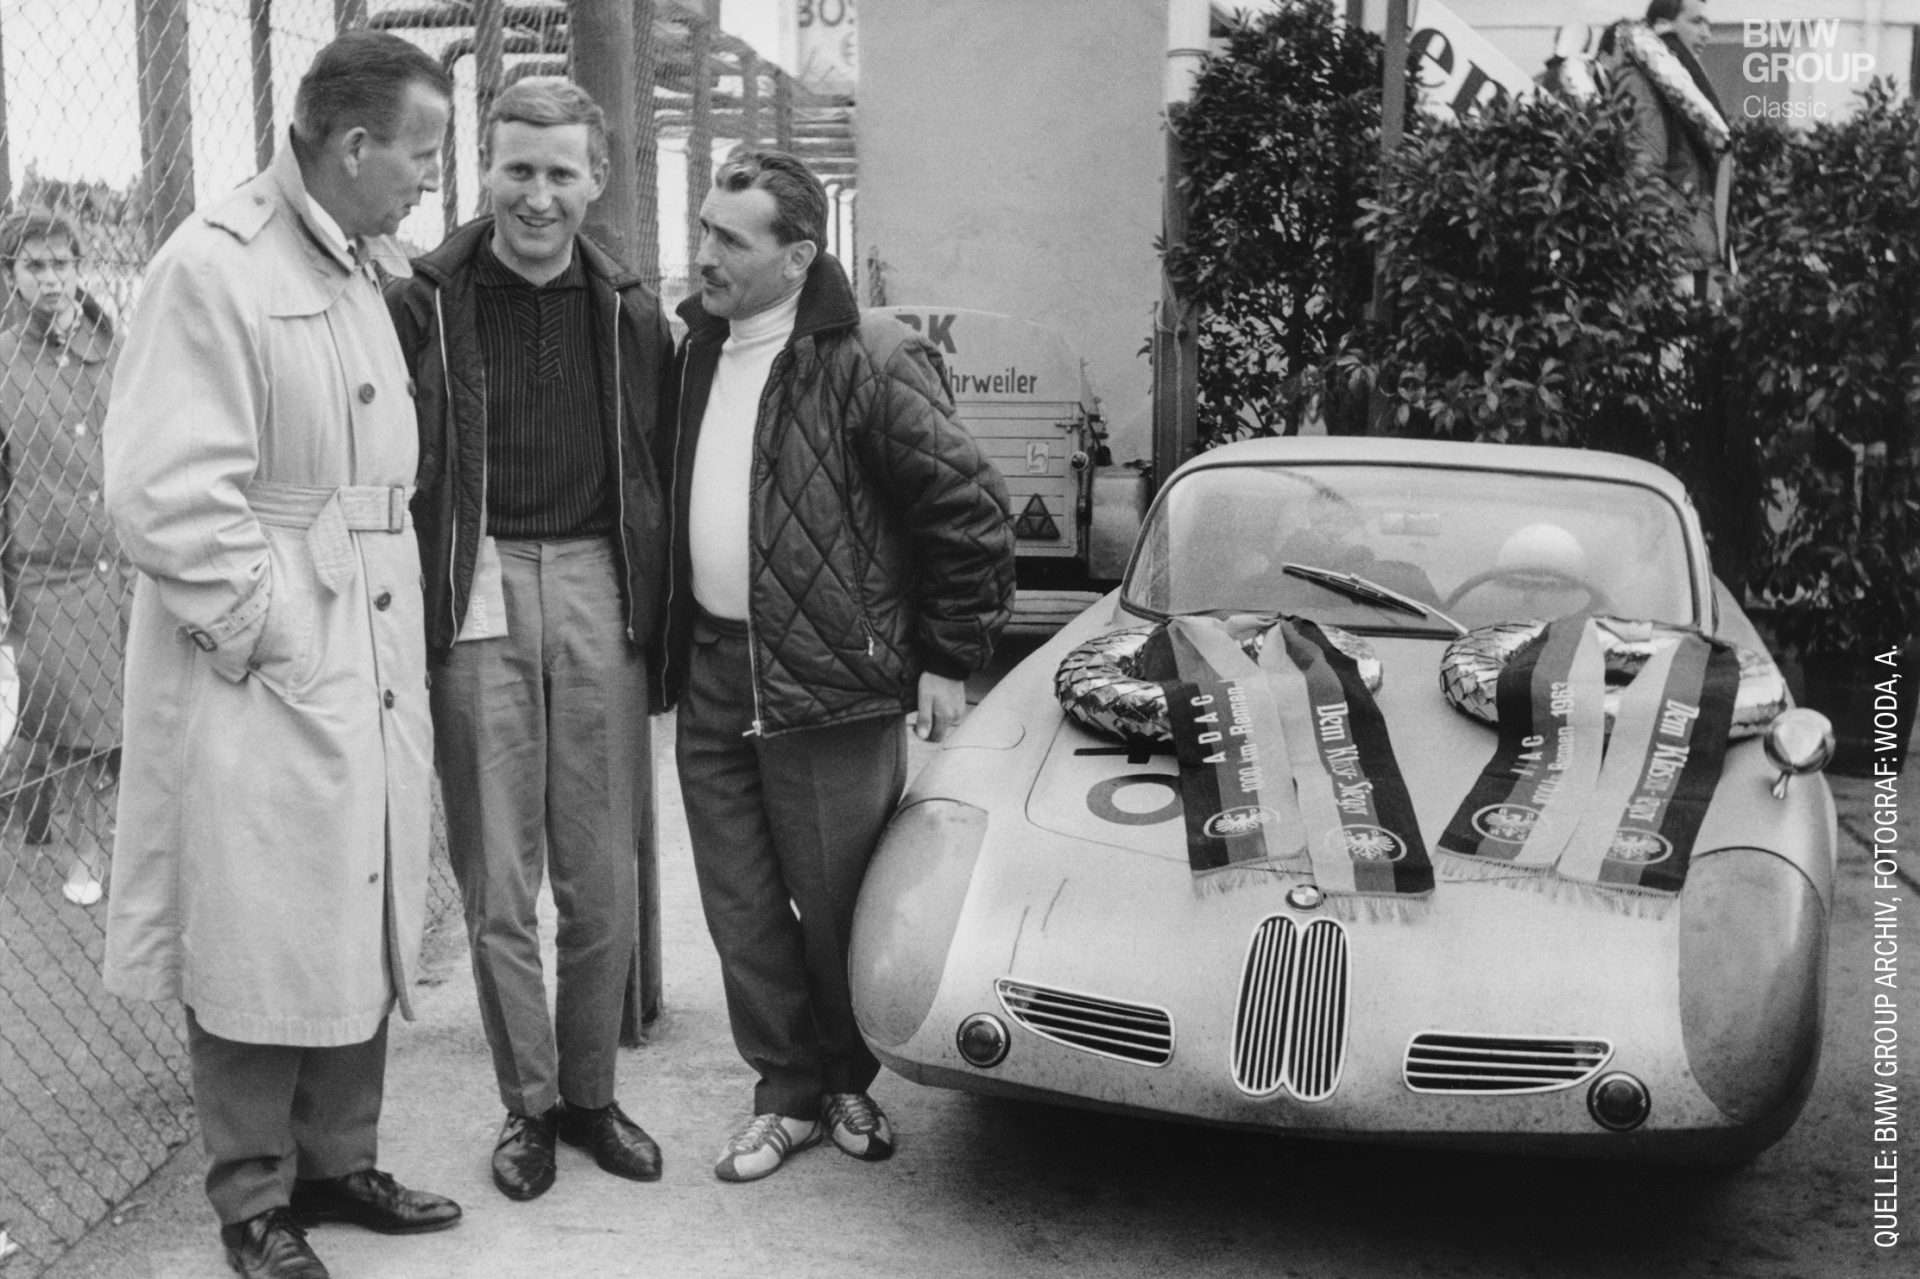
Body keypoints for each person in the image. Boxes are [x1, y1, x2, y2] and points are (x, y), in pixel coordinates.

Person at [101, 32, 460, 1279]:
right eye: (420, 151)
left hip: (364, 619)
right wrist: (269, 626)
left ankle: (336, 1158)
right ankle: (255, 1200)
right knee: (257, 923)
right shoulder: (213, 266)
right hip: (276, 638)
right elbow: (164, 495)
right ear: (354, 146)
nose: (430, 177)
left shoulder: (366, 264)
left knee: (355, 894)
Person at [667, 146, 1015, 1183]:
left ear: (798, 255)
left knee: (838, 901)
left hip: (830, 679)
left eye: (731, 239)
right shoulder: (692, 353)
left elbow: (970, 509)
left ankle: (848, 1081)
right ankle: (785, 1094)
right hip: (716, 671)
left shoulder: (868, 354)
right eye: (702, 230)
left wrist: (948, 657)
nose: (704, 254)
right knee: (738, 906)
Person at [385, 76, 670, 1203]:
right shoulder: (424, 299)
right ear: (483, 170)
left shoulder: (632, 311)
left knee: (601, 874)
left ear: (596, 181)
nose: (537, 196)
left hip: (597, 576)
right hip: (480, 576)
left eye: (561, 172)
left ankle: (593, 1093)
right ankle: (530, 1106)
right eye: (517, 169)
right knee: (499, 878)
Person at [0, 210, 127, 906]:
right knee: (76, 723)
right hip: (48, 571)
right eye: (33, 267)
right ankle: (79, 847)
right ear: (12, 277)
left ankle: (64, 822)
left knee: (124, 720)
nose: (51, 279)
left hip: (125, 559)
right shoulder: (2, 362)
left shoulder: (113, 347)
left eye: (61, 265)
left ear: (80, 268)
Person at [1604, 0, 1732, 290]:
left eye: (1708, 24)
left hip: (1697, 254)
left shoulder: (1678, 81)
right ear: (1662, 26)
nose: (1707, 34)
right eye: (1696, 22)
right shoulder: (1641, 81)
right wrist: (1662, 253)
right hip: (1677, 261)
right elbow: (1643, 174)